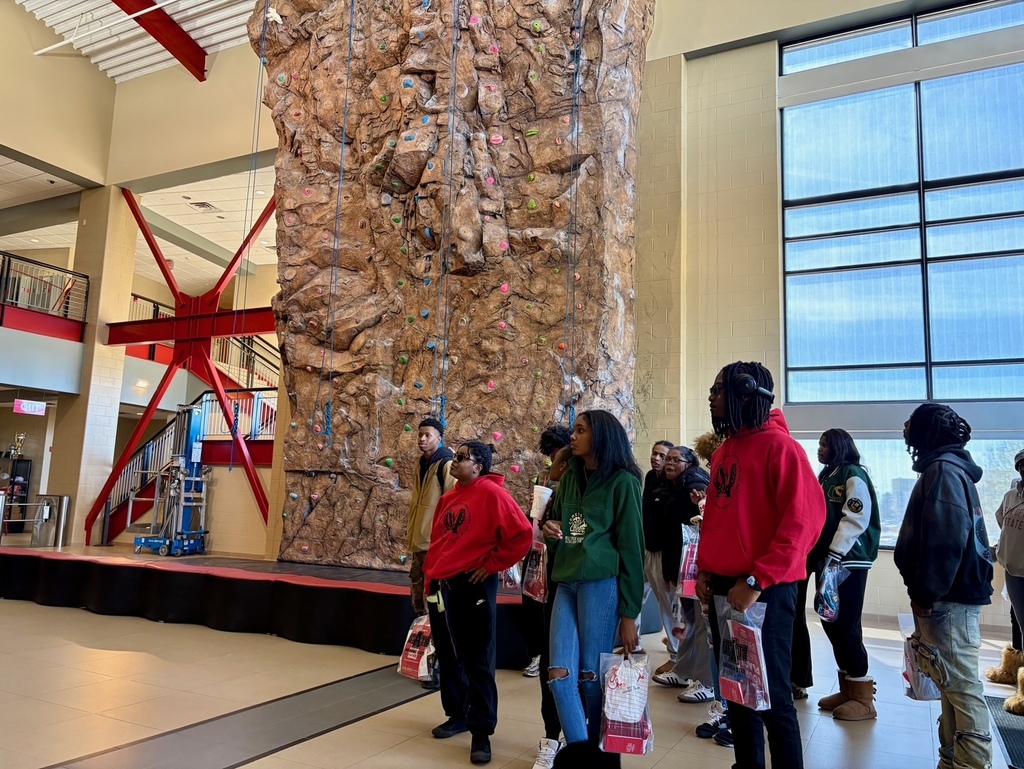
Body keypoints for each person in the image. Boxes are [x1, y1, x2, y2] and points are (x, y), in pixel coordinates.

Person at [695, 361, 825, 769]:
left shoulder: (782, 448)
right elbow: (717, 519)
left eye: (719, 389)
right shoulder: (723, 453)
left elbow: (804, 523)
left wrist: (755, 579)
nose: (712, 397)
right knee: (736, 690)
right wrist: (703, 569)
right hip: (723, 588)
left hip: (762, 590)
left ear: (747, 391)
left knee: (773, 697)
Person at [895, 403, 994, 769]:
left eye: (911, 422)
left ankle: (970, 764)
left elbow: (946, 538)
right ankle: (952, 760)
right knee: (952, 687)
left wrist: (924, 593)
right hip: (950, 598)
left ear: (928, 431)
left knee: (963, 690)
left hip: (948, 600)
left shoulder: (943, 471)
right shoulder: (947, 469)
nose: (904, 427)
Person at [424, 441, 533, 765]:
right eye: (454, 457)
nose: (453, 462)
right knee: (448, 652)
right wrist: (430, 579)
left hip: (473, 586)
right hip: (442, 585)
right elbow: (439, 543)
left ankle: (481, 731)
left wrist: (491, 565)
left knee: (477, 659)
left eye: (460, 458)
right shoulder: (448, 498)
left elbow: (522, 534)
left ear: (479, 466)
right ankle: (456, 713)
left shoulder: (494, 495)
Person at [542, 410, 645, 750]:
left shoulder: (624, 482)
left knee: (589, 675)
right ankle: (582, 755)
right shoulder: (570, 477)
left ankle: (599, 751)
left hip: (601, 585)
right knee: (559, 677)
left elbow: (632, 549)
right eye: (574, 430)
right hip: (567, 582)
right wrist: (550, 527)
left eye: (581, 430)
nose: (573, 436)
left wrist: (630, 613)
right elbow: (559, 521)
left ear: (600, 436)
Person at [804, 428, 881, 720]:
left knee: (847, 624)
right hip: (828, 560)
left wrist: (835, 553)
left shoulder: (852, 473)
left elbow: (856, 516)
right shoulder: (826, 475)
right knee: (830, 621)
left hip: (848, 560)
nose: (820, 449)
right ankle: (848, 688)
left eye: (825, 444)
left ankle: (863, 696)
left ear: (838, 446)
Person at [529, 429, 573, 769]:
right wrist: (553, 475)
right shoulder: (553, 484)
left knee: (581, 666)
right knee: (550, 662)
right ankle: (550, 736)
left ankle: (579, 739)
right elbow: (537, 524)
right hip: (552, 583)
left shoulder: (608, 484)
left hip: (586, 586)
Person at [659, 446, 714, 702]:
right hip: (684, 565)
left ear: (689, 462)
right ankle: (683, 671)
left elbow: (701, 527)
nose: (668, 463)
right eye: (666, 459)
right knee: (690, 622)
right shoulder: (678, 484)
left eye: (674, 459)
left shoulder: (695, 481)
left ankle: (706, 682)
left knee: (701, 625)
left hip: (697, 566)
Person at [524, 425, 573, 678]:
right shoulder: (544, 475)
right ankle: (537, 653)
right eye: (550, 453)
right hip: (539, 547)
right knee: (532, 598)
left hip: (564, 551)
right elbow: (536, 512)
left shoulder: (575, 476)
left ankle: (554, 655)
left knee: (554, 604)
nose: (553, 459)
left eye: (557, 453)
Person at [641, 441, 683, 681]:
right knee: (652, 600)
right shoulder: (650, 477)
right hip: (649, 549)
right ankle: (636, 643)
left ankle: (677, 658)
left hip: (665, 554)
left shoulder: (674, 483)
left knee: (669, 606)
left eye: (664, 456)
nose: (658, 459)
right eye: (655, 454)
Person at [407, 418, 455, 618]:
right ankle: (419, 639)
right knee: (417, 591)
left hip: (434, 543)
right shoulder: (422, 463)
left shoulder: (446, 463)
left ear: (439, 438)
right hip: (419, 540)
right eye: (420, 435)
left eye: (428, 435)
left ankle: (435, 642)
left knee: (433, 595)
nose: (422, 439)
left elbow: (453, 504)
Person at [994, 449, 1024, 714]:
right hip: (1013, 568)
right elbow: (1001, 520)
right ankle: (1012, 671)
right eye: (1021, 464)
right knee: (1018, 621)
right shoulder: (1011, 496)